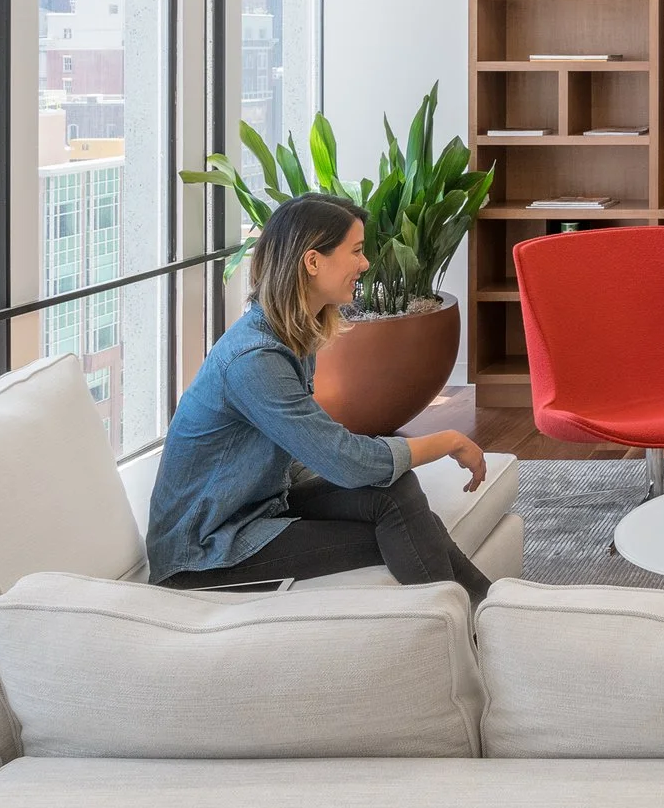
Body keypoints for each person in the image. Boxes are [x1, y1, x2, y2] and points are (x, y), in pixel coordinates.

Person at [145, 192, 493, 601]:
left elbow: (325, 458)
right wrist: (446, 441)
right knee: (401, 531)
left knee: (397, 495)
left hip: (260, 506)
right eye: (357, 251)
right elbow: (344, 461)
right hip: (205, 551)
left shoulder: (288, 335)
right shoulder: (254, 360)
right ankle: (471, 631)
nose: (364, 264)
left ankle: (493, 612)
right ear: (312, 262)